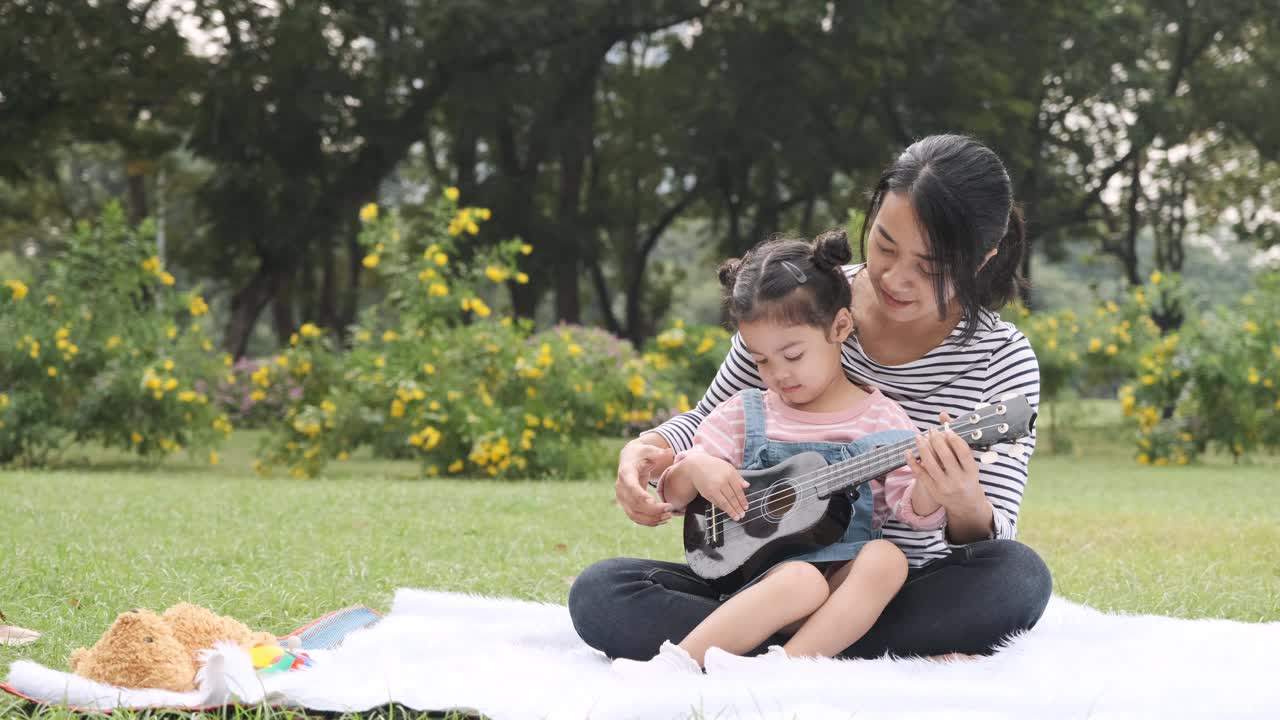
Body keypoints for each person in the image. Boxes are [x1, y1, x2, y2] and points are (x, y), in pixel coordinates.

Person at [570, 134, 1053, 662]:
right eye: (885, 245)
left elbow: (993, 535)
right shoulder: (805, 299)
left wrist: (959, 498)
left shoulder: (1000, 358)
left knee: (1017, 580)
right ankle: (851, 652)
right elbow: (715, 419)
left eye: (931, 266)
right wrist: (651, 446)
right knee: (602, 594)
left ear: (982, 258)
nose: (895, 277)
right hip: (762, 576)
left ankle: (762, 649)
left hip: (895, 589)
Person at [611, 231, 949, 676]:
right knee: (800, 581)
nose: (778, 374)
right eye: (762, 361)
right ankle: (676, 666)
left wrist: (933, 480)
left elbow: (914, 512)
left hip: (842, 589)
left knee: (889, 559)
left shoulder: (882, 420)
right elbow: (674, 495)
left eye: (792, 354)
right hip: (760, 582)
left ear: (840, 327)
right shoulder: (744, 414)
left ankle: (783, 669)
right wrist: (695, 467)